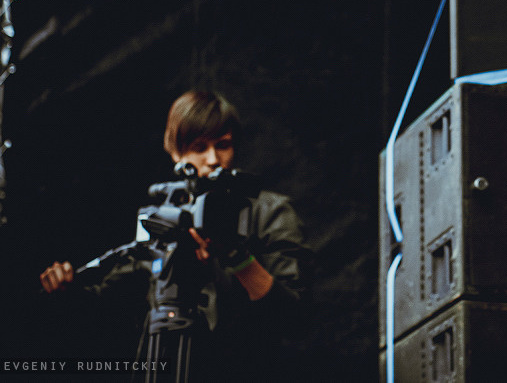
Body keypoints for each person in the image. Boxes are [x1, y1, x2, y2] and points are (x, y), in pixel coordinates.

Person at [39, 90, 312, 379]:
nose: (213, 159)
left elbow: (296, 319)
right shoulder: (164, 218)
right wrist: (67, 289)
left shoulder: (269, 211)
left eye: (223, 145)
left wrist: (237, 258)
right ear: (175, 152)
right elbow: (111, 301)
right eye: (199, 147)